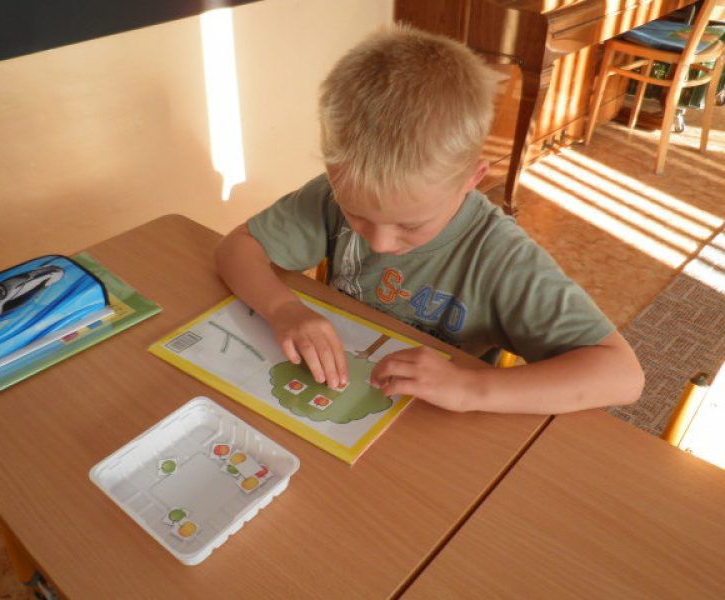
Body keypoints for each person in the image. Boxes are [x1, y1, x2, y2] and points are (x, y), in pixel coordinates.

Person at [215, 24, 644, 414]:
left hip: (433, 420)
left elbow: (623, 376)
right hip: (350, 397)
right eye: (357, 215)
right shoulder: (332, 194)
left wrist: (471, 388)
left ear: (472, 180)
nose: (380, 243)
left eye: (410, 225)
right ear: (332, 171)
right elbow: (237, 247)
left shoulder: (499, 257)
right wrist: (284, 308)